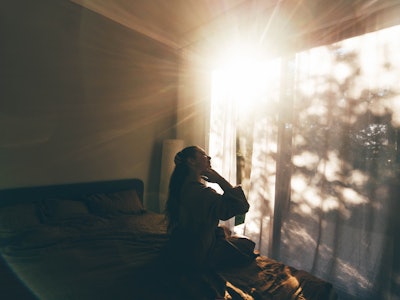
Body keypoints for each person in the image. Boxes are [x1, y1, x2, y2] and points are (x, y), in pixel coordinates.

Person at [164, 145, 251, 298]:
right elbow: (242, 206)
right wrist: (219, 180)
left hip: (182, 245)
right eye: (203, 155)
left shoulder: (182, 187)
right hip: (198, 253)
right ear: (191, 161)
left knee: (225, 231)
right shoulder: (202, 194)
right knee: (246, 245)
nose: (209, 158)